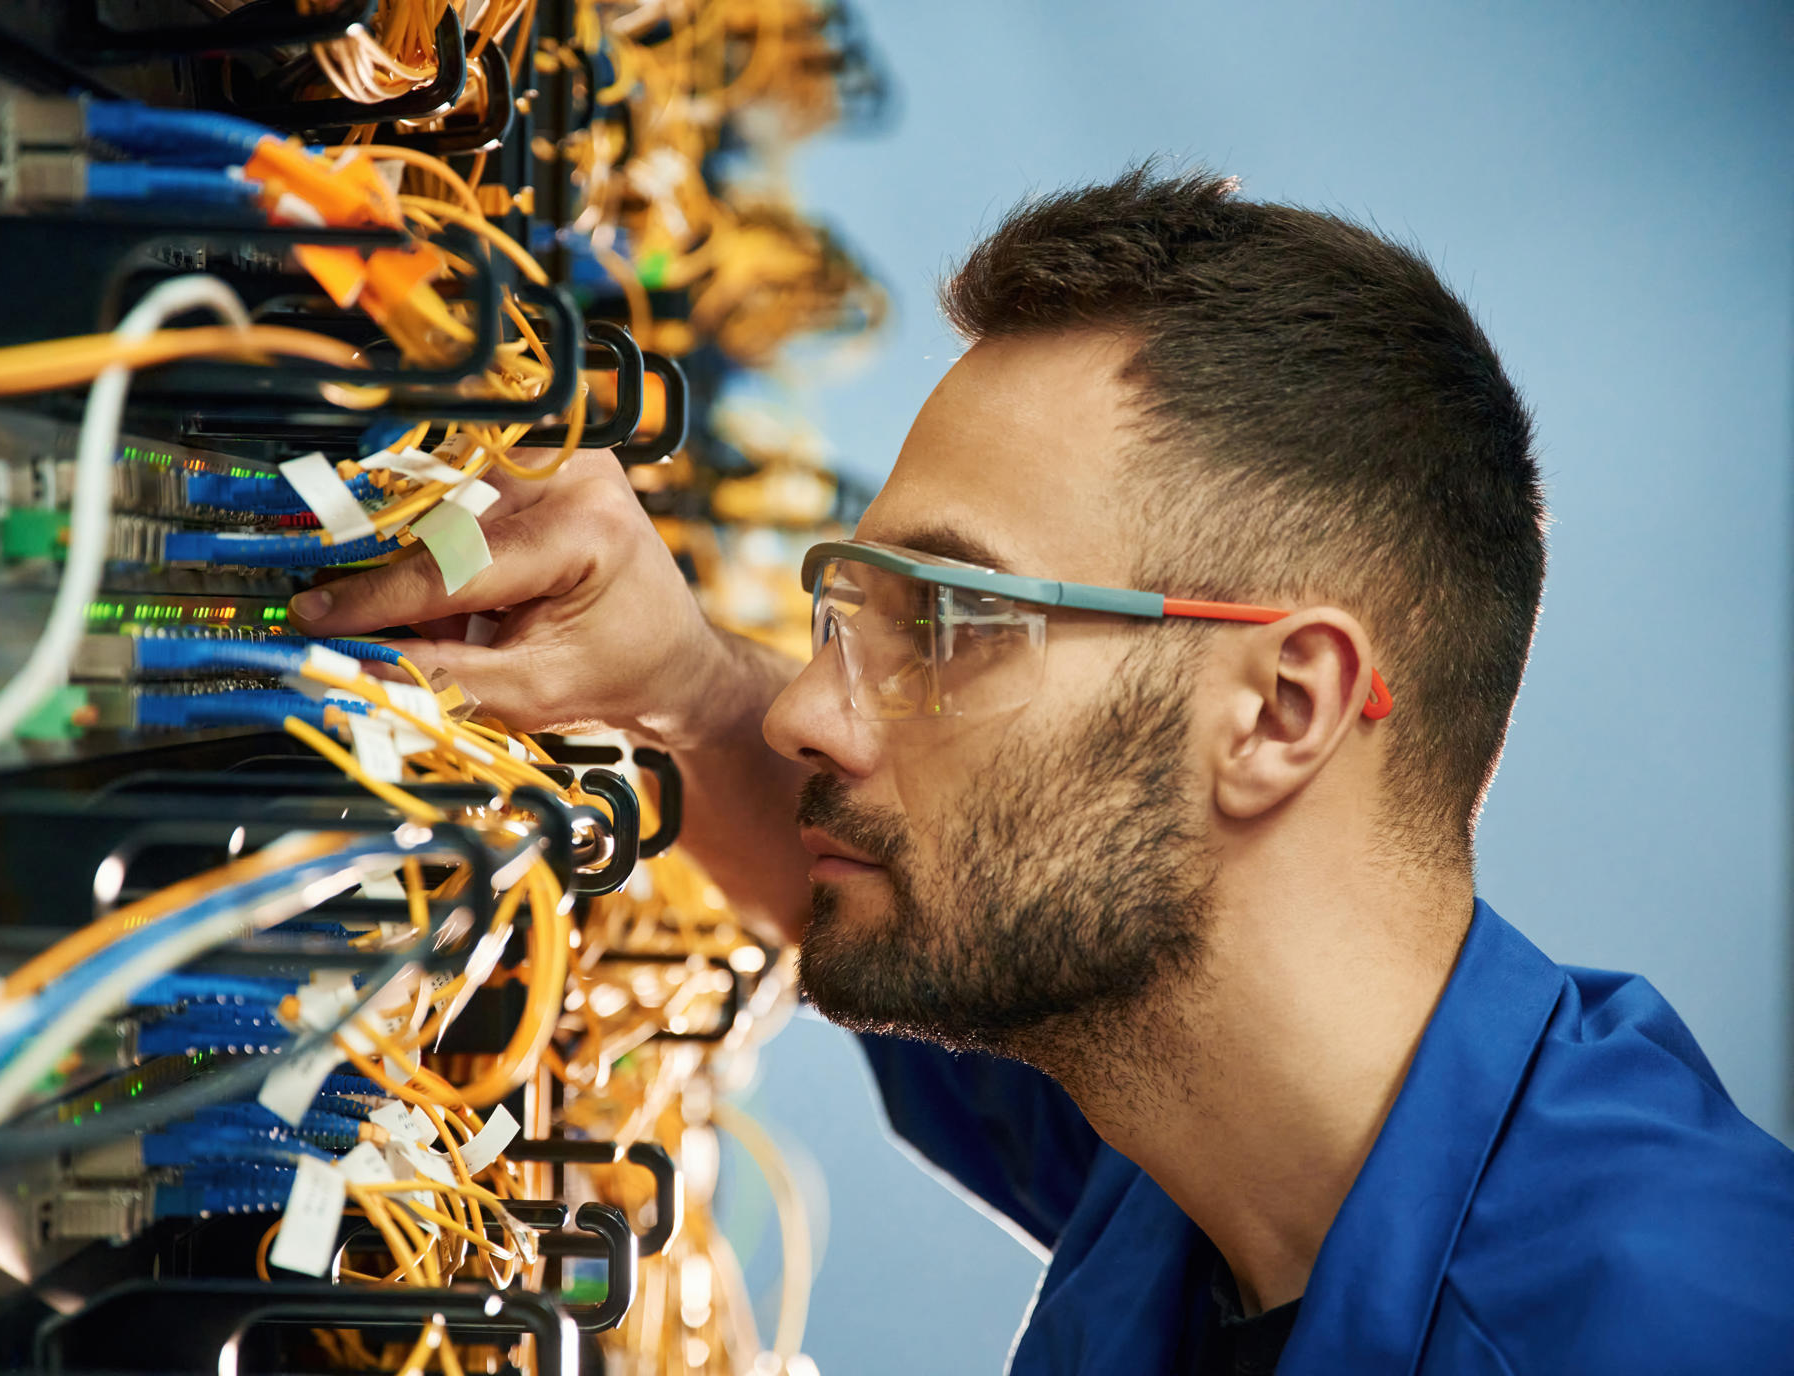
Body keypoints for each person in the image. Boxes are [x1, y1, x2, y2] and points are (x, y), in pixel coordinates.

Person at [287, 165, 1794, 1374]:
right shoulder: (1194, 1119)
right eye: (849, 611)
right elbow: (927, 891)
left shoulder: (1670, 1330)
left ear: (1281, 710)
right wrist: (679, 685)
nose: (810, 714)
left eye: (949, 619)